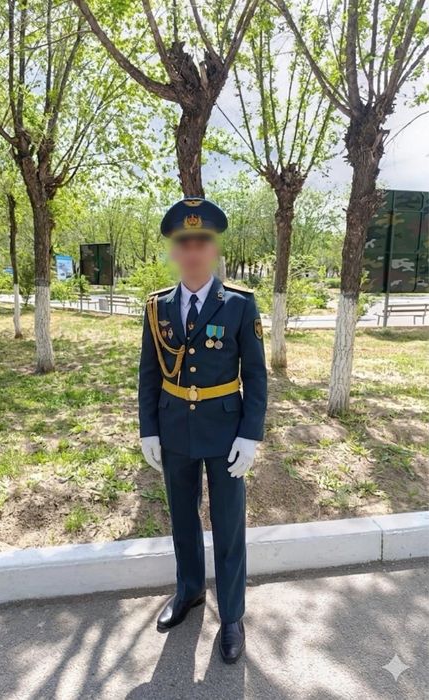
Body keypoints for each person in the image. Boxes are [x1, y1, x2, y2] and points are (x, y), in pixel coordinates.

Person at [138, 197, 268, 664]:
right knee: (182, 519)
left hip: (226, 432)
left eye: (203, 242)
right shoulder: (157, 308)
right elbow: (149, 375)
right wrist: (148, 430)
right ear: (174, 250)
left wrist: (251, 435)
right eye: (184, 242)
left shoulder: (239, 304)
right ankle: (189, 591)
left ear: (214, 249)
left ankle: (231, 616)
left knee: (228, 526)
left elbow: (256, 376)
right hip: (175, 428)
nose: (193, 251)